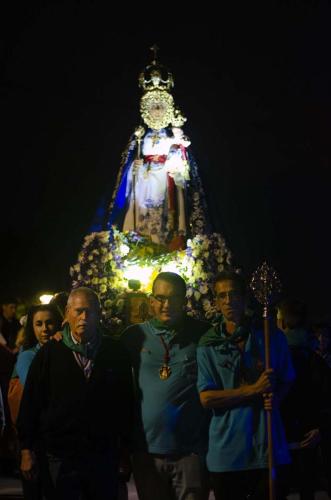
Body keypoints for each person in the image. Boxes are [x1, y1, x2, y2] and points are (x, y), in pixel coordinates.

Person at [17, 287, 133, 500]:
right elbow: (31, 403)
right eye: (78, 311)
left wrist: (125, 451)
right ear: (68, 313)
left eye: (90, 311)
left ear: (99, 314)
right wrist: (26, 449)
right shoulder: (50, 353)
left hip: (102, 455)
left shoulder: (114, 352)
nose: (84, 317)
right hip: (60, 456)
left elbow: (126, 403)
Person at [197, 270, 295, 500]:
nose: (228, 301)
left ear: (245, 297)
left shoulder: (270, 335)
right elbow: (207, 398)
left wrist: (276, 396)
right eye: (222, 296)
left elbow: (287, 379)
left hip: (268, 446)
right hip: (227, 453)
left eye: (233, 294)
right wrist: (252, 390)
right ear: (216, 301)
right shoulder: (208, 344)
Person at [121, 272, 211, 500]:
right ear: (151, 301)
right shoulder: (133, 336)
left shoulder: (204, 333)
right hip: (146, 453)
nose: (166, 304)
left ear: (184, 301)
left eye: (173, 298)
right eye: (160, 298)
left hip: (190, 452)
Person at [108, 55, 209, 248]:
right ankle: (140, 245)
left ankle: (165, 243)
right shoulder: (139, 137)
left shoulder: (171, 135)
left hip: (164, 177)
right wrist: (133, 168)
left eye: (160, 107)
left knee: (163, 213)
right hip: (144, 179)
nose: (156, 111)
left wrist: (176, 161)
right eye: (153, 108)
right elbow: (129, 164)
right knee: (141, 210)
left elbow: (180, 155)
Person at [8, 304, 62, 500]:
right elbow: (38, 393)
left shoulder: (62, 351)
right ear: (32, 327)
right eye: (39, 324)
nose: (45, 329)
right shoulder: (28, 356)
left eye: (49, 323)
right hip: (35, 438)